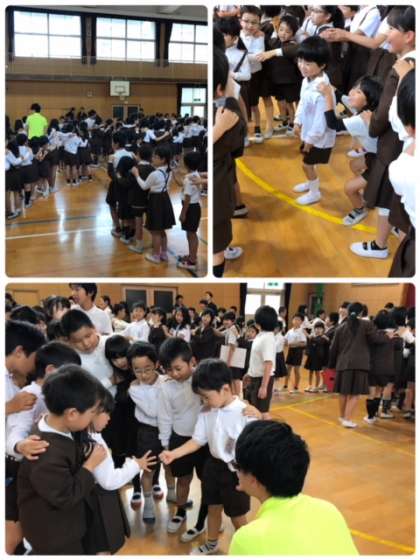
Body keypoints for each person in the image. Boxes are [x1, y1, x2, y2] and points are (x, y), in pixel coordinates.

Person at [160, 358, 261, 555]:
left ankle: (250, 550)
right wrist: (174, 453)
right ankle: (212, 543)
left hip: (236, 473)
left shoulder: (245, 413)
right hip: (213, 467)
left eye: (206, 397)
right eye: (201, 398)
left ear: (225, 389)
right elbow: (197, 441)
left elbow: (257, 448)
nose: (204, 402)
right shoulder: (207, 412)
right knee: (213, 508)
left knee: (237, 515)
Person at [229, 420, 359, 555]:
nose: (235, 472)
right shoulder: (329, 510)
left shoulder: (247, 540)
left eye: (236, 466)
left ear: (253, 480)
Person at [17, 365, 107, 555]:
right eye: (92, 412)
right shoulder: (44, 451)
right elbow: (66, 496)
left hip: (67, 526)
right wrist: (90, 465)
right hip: (55, 536)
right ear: (72, 414)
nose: (94, 416)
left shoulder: (57, 425)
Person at [81, 385, 157, 554]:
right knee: (102, 548)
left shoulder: (84, 435)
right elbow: (109, 481)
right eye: (106, 413)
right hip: (98, 501)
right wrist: (136, 464)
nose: (109, 418)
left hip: (88, 500)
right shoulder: (94, 444)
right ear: (92, 412)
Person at [158, 338, 208, 537]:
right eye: (168, 370)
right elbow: (165, 416)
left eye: (178, 368)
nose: (174, 374)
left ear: (192, 361)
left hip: (205, 441)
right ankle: (180, 511)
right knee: (183, 479)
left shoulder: (203, 379)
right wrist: (165, 444)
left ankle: (207, 516)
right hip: (180, 439)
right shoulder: (166, 387)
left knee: (207, 482)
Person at [318, 75, 383, 225]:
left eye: (358, 92)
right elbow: (344, 98)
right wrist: (332, 88)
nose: (352, 93)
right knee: (354, 165)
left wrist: (328, 96)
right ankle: (369, 189)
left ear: (367, 101)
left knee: (349, 189)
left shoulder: (360, 119)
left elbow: (333, 124)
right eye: (354, 88)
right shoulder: (364, 108)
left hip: (379, 162)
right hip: (373, 154)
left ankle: (360, 209)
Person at [5, 320, 46, 554]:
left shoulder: (12, 378)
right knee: (11, 534)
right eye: (35, 358)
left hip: (14, 455)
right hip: (9, 459)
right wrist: (9, 407)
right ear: (20, 351)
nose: (35, 366)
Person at [127, 342, 175, 524]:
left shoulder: (167, 380)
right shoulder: (135, 388)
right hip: (149, 432)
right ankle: (148, 503)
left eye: (147, 369)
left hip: (170, 429)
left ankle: (172, 492)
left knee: (170, 465)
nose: (143, 375)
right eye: (137, 371)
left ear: (156, 364)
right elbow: (153, 411)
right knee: (148, 469)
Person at [328, 302, 392, 428]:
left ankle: (342, 417)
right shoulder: (366, 324)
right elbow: (376, 339)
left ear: (348, 311)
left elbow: (333, 348)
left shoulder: (341, 327)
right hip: (359, 364)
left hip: (342, 363)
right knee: (354, 394)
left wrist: (331, 365)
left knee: (343, 392)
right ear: (362, 312)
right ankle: (347, 420)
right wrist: (388, 336)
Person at [293, 35, 336, 205]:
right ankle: (311, 182)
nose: (302, 66)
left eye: (308, 63)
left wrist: (310, 140)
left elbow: (321, 122)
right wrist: (297, 120)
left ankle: (314, 192)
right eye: (300, 61)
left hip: (318, 137)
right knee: (309, 163)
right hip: (309, 131)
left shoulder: (322, 90)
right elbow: (302, 102)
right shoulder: (307, 80)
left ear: (322, 65)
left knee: (306, 165)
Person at [130, 145, 176, 265]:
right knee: (162, 230)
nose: (152, 159)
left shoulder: (155, 173)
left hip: (156, 201)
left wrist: (136, 174)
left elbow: (144, 186)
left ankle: (156, 256)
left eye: (155, 157)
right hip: (165, 199)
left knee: (155, 231)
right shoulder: (169, 171)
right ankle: (164, 253)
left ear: (163, 159)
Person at [60, 309, 114, 389]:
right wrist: (110, 381)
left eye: (88, 336)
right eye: (78, 341)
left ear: (94, 328)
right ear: (69, 341)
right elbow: (82, 390)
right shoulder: (73, 362)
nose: (86, 344)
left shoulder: (111, 341)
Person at [242, 305, 277, 419]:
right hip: (254, 377)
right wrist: (249, 373)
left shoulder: (268, 338)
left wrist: (263, 387)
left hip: (262, 379)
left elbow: (268, 364)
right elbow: (255, 359)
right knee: (254, 410)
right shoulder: (260, 336)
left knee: (262, 413)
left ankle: (270, 430)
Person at [177, 151, 203, 271]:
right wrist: (175, 174)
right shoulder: (195, 175)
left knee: (191, 235)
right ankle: (192, 256)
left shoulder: (189, 179)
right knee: (190, 234)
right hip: (194, 207)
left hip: (190, 208)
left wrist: (183, 213)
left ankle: (192, 261)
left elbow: (187, 198)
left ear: (186, 164)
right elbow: (181, 184)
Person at [303, 321, 330, 392]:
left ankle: (316, 387)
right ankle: (310, 385)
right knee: (310, 372)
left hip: (318, 358)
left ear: (323, 330)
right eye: (316, 328)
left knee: (317, 372)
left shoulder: (323, 338)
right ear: (314, 329)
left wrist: (308, 336)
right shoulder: (313, 337)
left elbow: (319, 342)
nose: (318, 330)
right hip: (311, 357)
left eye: (320, 328)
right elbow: (309, 347)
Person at [284, 314, 307, 393]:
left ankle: (296, 387)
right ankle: (285, 386)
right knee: (288, 368)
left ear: (301, 322)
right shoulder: (290, 331)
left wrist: (294, 344)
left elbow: (304, 343)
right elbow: (285, 341)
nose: (296, 321)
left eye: (298, 319)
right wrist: (286, 343)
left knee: (296, 370)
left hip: (298, 352)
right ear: (292, 320)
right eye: (295, 319)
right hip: (291, 351)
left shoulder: (302, 331)